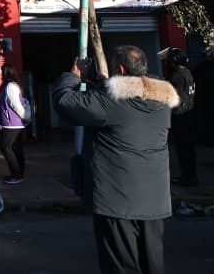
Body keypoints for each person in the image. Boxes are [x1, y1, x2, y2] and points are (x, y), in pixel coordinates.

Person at [54, 46, 180, 274]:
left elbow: (65, 102)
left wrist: (73, 75)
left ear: (120, 70)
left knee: (121, 265)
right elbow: (128, 97)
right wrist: (102, 84)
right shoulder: (161, 100)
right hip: (154, 200)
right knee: (152, 264)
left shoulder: (110, 101)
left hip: (117, 200)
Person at [159, 48, 198, 185]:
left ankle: (189, 177)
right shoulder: (186, 72)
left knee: (184, 148)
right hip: (187, 113)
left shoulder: (177, 76)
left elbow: (171, 94)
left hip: (181, 114)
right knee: (187, 148)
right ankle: (189, 175)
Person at [0, 64, 29, 185]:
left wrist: (24, 117)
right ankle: (18, 173)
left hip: (12, 123)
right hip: (13, 122)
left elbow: (15, 104)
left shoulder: (10, 86)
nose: (1, 74)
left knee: (6, 147)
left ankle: (17, 174)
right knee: (15, 148)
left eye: (2, 71)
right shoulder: (10, 85)